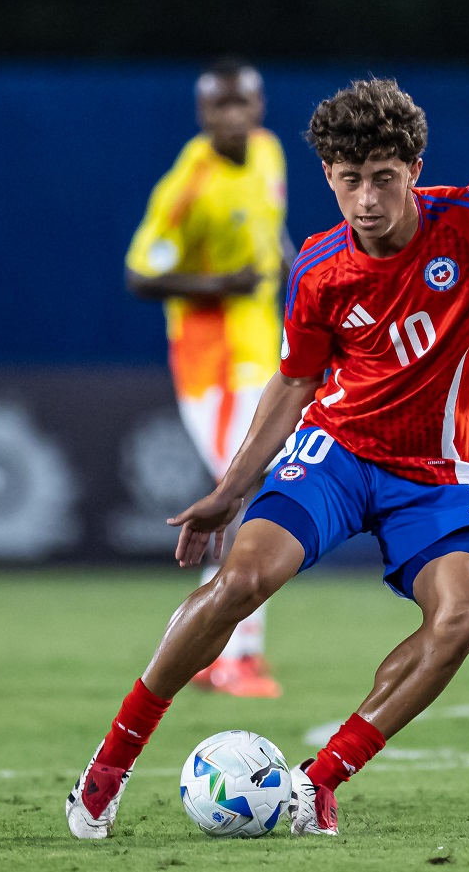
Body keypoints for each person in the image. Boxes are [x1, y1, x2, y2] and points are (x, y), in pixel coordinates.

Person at [67, 77, 469, 840]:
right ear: (327, 175)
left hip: (435, 476)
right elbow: (295, 383)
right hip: (337, 454)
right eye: (350, 179)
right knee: (242, 580)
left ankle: (318, 780)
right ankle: (108, 768)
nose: (367, 199)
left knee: (467, 612)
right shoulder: (318, 268)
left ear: (415, 168)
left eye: (384, 177)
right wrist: (231, 488)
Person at [124, 58, 295, 698]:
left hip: (264, 354)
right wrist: (220, 284)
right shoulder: (188, 186)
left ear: (258, 106)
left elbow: (272, 234)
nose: (232, 116)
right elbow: (140, 274)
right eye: (219, 106)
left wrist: (299, 275)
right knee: (250, 495)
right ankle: (229, 656)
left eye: (241, 103)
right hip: (213, 367)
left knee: (263, 493)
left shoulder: (269, 152)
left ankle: (218, 653)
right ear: (202, 115)